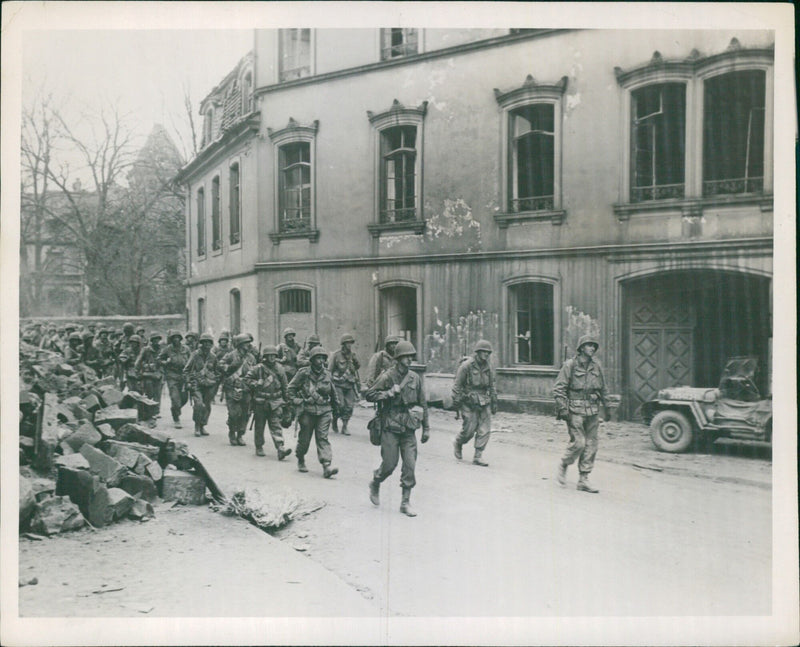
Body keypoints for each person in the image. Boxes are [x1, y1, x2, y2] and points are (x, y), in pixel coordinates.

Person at [364, 340, 430, 517]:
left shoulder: (415, 378)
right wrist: (386, 394)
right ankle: (376, 481)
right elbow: (369, 394)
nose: (409, 360)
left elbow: (422, 404)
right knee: (389, 465)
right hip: (390, 426)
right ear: (398, 358)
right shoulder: (387, 376)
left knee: (410, 465)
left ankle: (405, 502)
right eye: (406, 357)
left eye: (411, 357)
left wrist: (426, 428)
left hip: (408, 427)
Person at [552, 334, 609, 494]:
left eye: (594, 346)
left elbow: (603, 389)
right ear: (582, 348)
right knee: (579, 443)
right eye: (589, 345)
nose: (592, 348)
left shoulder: (596, 367)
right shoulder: (570, 365)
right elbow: (559, 388)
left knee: (591, 445)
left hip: (592, 410)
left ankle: (583, 479)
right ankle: (564, 464)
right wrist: (563, 408)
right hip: (575, 410)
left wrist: (608, 408)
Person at [287, 346, 340, 478]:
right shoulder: (303, 373)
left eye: (323, 358)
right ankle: (300, 458)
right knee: (305, 439)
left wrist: (337, 408)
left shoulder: (327, 374)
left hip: (324, 410)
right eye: (318, 358)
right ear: (312, 359)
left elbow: (333, 392)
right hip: (307, 410)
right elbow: (290, 389)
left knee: (322, 437)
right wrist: (296, 400)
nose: (320, 360)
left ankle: (326, 465)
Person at [451, 339, 498, 467]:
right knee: (469, 430)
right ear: (477, 352)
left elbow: (492, 385)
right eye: (484, 352)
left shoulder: (489, 366)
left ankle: (478, 456)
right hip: (468, 401)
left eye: (488, 352)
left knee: (485, 429)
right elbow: (457, 386)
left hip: (484, 400)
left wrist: (494, 401)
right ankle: (458, 442)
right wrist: (456, 402)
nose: (487, 355)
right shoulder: (466, 366)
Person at [244, 345, 293, 460]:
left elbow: (285, 386)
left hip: (275, 401)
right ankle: (259, 446)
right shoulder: (258, 368)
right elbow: (246, 379)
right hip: (261, 401)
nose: (271, 358)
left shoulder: (280, 369)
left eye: (273, 356)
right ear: (265, 357)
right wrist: (256, 383)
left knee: (276, 425)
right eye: (269, 356)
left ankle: (280, 447)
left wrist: (287, 402)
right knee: (260, 426)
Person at [219, 333, 257, 446]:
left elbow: (255, 371)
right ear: (240, 344)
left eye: (249, 343)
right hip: (232, 386)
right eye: (246, 343)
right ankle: (232, 432)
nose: (249, 345)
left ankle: (240, 434)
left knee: (246, 413)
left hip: (246, 387)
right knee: (234, 413)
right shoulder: (231, 355)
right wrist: (230, 367)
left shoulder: (251, 357)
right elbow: (220, 365)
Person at [183, 333, 218, 437]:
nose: (207, 345)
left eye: (209, 342)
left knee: (207, 406)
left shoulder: (213, 357)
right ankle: (197, 426)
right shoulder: (195, 354)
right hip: (196, 384)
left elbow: (217, 371)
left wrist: (215, 380)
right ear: (201, 344)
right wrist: (188, 381)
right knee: (199, 405)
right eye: (204, 342)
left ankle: (203, 425)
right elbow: (186, 370)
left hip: (209, 384)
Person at [329, 333, 360, 435]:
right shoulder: (336, 355)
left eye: (351, 343)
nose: (349, 345)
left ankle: (345, 426)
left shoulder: (352, 355)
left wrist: (354, 363)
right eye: (347, 343)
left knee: (349, 406)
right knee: (340, 405)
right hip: (338, 384)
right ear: (343, 344)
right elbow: (330, 370)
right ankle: (334, 420)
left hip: (349, 384)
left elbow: (357, 367)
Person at [158, 330, 190, 428]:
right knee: (175, 397)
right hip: (172, 375)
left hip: (183, 375)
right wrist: (165, 363)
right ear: (171, 339)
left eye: (177, 337)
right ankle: (176, 418)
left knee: (184, 398)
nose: (176, 339)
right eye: (174, 338)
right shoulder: (167, 349)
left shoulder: (186, 349)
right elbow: (159, 359)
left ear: (180, 338)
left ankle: (175, 409)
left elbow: (191, 360)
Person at [135, 333, 164, 421]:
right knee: (149, 393)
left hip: (158, 374)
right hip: (148, 375)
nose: (156, 341)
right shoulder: (146, 350)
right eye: (154, 339)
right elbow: (138, 362)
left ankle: (156, 412)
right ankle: (149, 411)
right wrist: (138, 373)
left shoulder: (161, 349)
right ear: (151, 340)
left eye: (158, 339)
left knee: (158, 393)